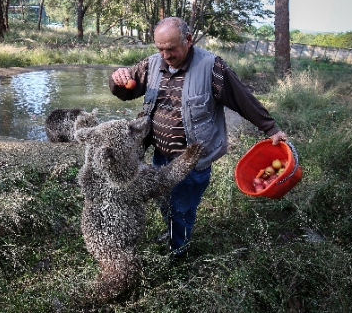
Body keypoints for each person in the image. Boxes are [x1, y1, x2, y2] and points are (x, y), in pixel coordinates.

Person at [108, 17, 287, 259]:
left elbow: (242, 98)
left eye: (171, 48)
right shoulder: (152, 64)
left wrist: (271, 128)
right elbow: (126, 92)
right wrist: (117, 79)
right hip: (161, 156)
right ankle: (175, 233)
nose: (165, 55)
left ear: (189, 40)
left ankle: (178, 252)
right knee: (164, 200)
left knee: (181, 207)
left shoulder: (211, 67)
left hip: (192, 161)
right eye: (160, 48)